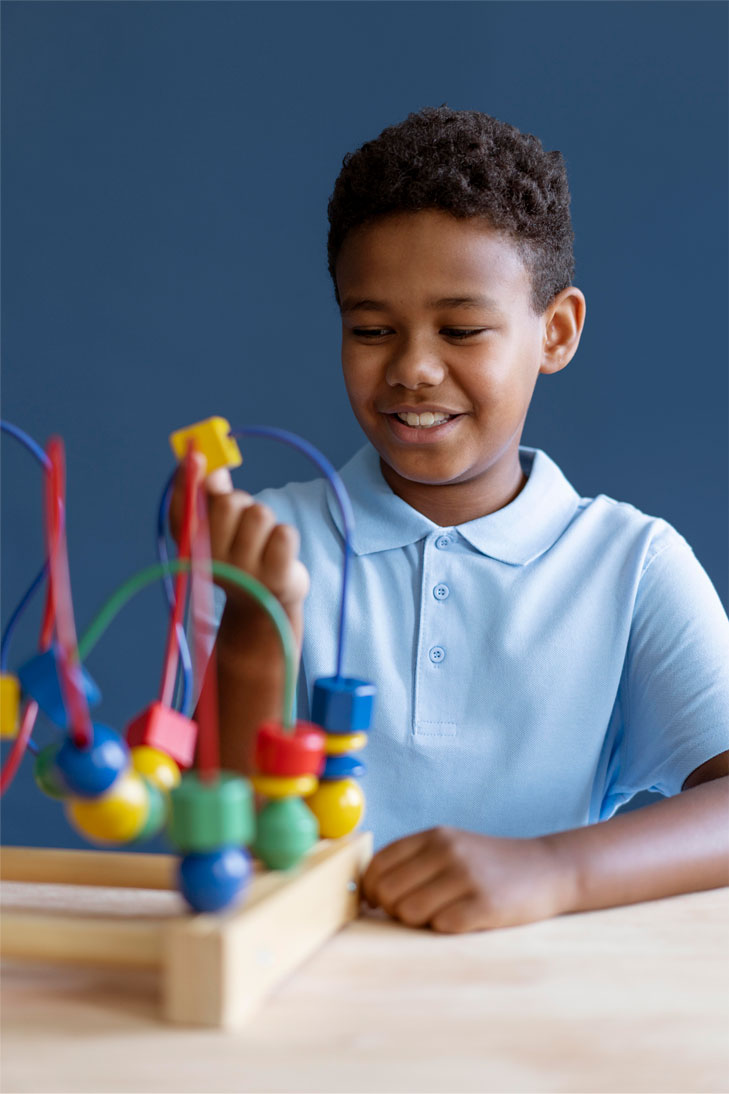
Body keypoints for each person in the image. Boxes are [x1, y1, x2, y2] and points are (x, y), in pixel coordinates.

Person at [172, 106, 729, 933]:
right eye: (370, 329)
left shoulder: (630, 563)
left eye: (462, 328)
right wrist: (257, 641)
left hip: (534, 1024)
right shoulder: (261, 545)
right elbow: (222, 853)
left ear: (556, 331)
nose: (413, 368)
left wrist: (551, 869)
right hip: (300, 1012)